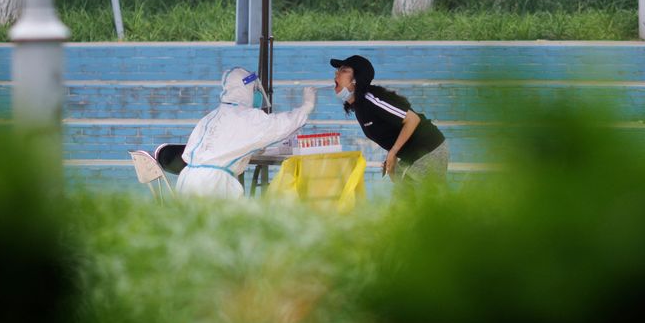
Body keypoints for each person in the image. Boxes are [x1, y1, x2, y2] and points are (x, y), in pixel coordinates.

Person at [177, 67, 317, 199]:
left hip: (187, 180)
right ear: (245, 89)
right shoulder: (245, 117)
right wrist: (306, 107)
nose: (256, 94)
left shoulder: (211, 117)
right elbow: (279, 124)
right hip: (214, 185)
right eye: (253, 89)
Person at [330, 55, 448, 189]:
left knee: (414, 204)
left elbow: (412, 119)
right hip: (413, 156)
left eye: (344, 70)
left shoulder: (371, 99)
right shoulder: (360, 107)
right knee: (409, 200)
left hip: (429, 149)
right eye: (338, 70)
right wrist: (392, 161)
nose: (337, 73)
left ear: (356, 80)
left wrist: (392, 152)